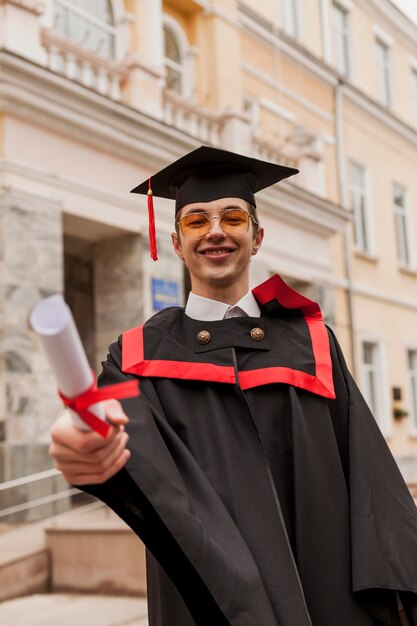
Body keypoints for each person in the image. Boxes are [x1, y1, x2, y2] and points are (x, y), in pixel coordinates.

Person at [50, 146, 417, 626]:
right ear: (177, 243)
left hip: (326, 593)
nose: (216, 231)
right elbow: (116, 439)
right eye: (196, 221)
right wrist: (78, 438)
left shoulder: (312, 343)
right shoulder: (139, 356)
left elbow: (370, 477)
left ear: (257, 237)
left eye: (233, 217)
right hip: (212, 601)